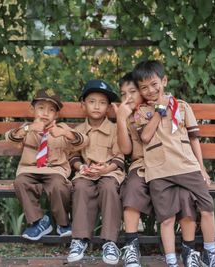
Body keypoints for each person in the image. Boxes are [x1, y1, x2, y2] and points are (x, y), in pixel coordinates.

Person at [131, 60, 215, 267]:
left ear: (164, 81)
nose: (150, 90)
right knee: (166, 218)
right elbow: (145, 137)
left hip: (186, 166)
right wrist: (159, 111)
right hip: (159, 170)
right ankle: (171, 261)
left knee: (207, 208)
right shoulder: (140, 113)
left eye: (154, 84)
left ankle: (210, 253)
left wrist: (202, 169)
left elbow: (194, 139)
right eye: (143, 88)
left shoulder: (182, 106)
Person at [113, 73, 198, 267]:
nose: (128, 98)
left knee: (183, 193)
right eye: (123, 94)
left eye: (133, 92)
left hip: (167, 165)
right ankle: (132, 245)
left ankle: (188, 248)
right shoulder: (129, 116)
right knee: (133, 187)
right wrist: (120, 119)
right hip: (141, 165)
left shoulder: (158, 109)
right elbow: (126, 150)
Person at [5, 89, 88, 241]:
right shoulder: (26, 128)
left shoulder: (62, 128)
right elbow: (10, 139)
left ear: (56, 115)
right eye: (41, 108)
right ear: (33, 110)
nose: (45, 113)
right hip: (29, 170)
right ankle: (39, 222)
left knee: (58, 185)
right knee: (20, 182)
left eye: (51, 110)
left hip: (55, 171)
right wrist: (28, 129)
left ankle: (63, 223)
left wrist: (66, 134)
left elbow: (83, 142)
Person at [67, 80, 125, 265]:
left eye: (102, 102)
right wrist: (81, 167)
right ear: (83, 105)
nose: (97, 106)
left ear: (108, 107)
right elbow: (73, 157)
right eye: (92, 101)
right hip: (86, 173)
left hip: (109, 172)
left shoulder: (115, 129)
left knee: (108, 187)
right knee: (81, 187)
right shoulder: (77, 131)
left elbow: (120, 156)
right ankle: (80, 239)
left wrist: (107, 168)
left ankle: (110, 242)